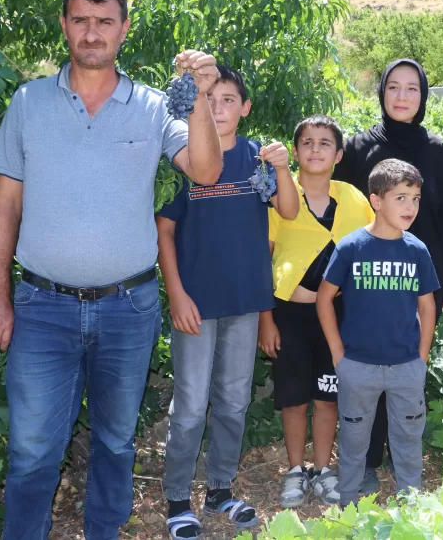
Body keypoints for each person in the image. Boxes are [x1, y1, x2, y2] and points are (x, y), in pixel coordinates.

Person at [0, 0, 224, 540]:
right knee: (34, 448)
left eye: (104, 21)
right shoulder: (29, 102)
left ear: (124, 29)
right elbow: (5, 207)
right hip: (41, 307)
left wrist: (205, 96)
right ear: (64, 24)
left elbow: (206, 171)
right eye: (81, 20)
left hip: (127, 308)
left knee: (115, 442)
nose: (92, 33)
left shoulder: (155, 106)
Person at [156, 67, 298, 538]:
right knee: (192, 404)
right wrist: (176, 293)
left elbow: (290, 211)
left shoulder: (258, 158)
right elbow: (166, 230)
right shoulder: (184, 158)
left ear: (245, 107)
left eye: (229, 100)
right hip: (195, 303)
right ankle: (178, 498)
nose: (218, 108)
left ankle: (219, 489)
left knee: (234, 400)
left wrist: (282, 167)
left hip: (244, 301)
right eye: (209, 99)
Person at [332, 59, 443, 492]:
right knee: (366, 368)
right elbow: (341, 215)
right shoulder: (359, 147)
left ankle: (402, 466)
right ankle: (366, 462)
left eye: (412, 89)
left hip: (420, 279)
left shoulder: (435, 149)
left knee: (405, 369)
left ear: (423, 96)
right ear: (382, 93)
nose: (402, 97)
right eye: (393, 88)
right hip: (367, 279)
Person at [260, 115, 374, 509]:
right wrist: (265, 318)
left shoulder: (354, 199)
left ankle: (324, 469)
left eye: (325, 143)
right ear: (295, 152)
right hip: (289, 312)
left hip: (337, 317)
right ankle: (295, 469)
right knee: (293, 397)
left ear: (338, 154)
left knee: (328, 396)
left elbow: (372, 247)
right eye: (307, 142)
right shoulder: (279, 193)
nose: (315, 149)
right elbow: (265, 256)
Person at [317, 159, 439, 507]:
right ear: (376, 201)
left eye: (415, 198)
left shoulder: (416, 250)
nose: (410, 207)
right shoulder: (352, 247)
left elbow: (427, 306)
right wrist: (339, 354)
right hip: (358, 365)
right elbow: (325, 299)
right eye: (401, 198)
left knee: (408, 440)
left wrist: (422, 356)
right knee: (354, 441)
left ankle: (410, 507)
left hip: (405, 366)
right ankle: (349, 507)